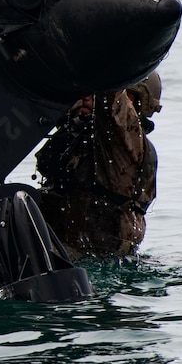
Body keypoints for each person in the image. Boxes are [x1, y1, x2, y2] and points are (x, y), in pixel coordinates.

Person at [35, 72, 160, 258]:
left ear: (133, 101)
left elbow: (112, 99)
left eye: (93, 92)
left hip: (92, 257)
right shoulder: (81, 132)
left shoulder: (128, 144)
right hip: (61, 249)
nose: (87, 97)